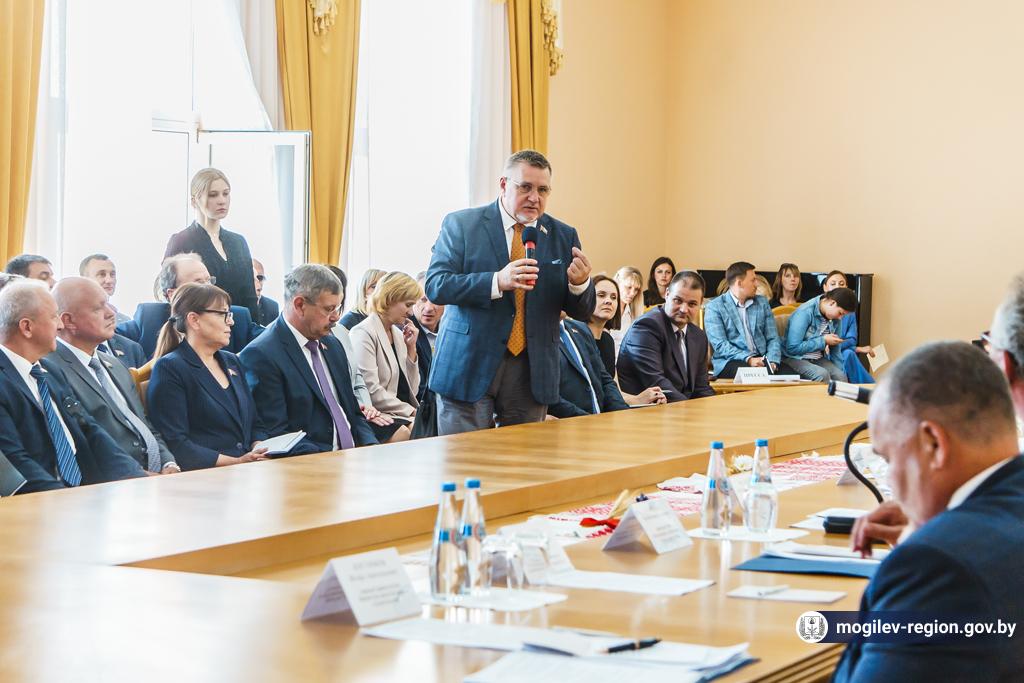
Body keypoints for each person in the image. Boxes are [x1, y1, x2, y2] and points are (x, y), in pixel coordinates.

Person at [832, 341, 1024, 681]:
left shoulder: (935, 565)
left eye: (888, 458)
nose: (889, 480)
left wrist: (925, 546)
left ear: (934, 443)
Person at [425, 149, 595, 434]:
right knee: (467, 458)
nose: (534, 197)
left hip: (531, 370)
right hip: (469, 363)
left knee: (522, 459)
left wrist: (579, 284)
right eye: (525, 187)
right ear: (504, 185)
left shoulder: (563, 236)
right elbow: (436, 285)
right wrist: (496, 281)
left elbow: (581, 310)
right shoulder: (463, 225)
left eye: (543, 190)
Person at [0, 281, 145, 492]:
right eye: (53, 317)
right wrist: (66, 498)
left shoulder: (50, 371)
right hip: (38, 500)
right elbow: (14, 460)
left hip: (86, 492)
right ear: (27, 327)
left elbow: (89, 429)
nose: (60, 326)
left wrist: (137, 476)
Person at [43, 278, 179, 475]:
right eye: (98, 308)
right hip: (111, 481)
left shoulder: (115, 364)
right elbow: (82, 443)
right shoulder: (50, 369)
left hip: (153, 476)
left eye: (107, 303)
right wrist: (138, 475)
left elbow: (143, 424)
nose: (111, 313)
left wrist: (168, 463)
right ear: (68, 321)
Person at [239, 264, 378, 453]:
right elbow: (277, 434)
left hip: (351, 458)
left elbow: (353, 413)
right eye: (329, 309)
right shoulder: (262, 355)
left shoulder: (333, 345)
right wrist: (331, 461)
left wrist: (371, 448)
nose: (336, 317)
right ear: (300, 305)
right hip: (310, 463)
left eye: (337, 308)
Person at [147, 283, 268, 470]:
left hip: (248, 469)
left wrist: (259, 446)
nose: (231, 322)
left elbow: (255, 424)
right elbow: (176, 443)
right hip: (206, 477)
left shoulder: (232, 361)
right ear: (194, 320)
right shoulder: (170, 368)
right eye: (223, 314)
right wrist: (237, 462)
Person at [117, 254, 261, 359]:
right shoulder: (149, 318)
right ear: (173, 294)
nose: (209, 288)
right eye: (199, 283)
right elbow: (108, 337)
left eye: (209, 281)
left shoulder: (236, 318)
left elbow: (270, 341)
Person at [163, 168, 260, 322]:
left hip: (241, 326)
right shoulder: (181, 241)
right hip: (201, 326)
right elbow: (169, 295)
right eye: (213, 195)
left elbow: (250, 298)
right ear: (194, 201)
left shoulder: (238, 242)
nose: (222, 200)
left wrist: (254, 331)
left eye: (226, 194)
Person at [325, 266, 399, 443]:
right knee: (404, 432)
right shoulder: (354, 326)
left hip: (363, 408)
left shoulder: (341, 332)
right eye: (374, 286)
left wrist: (367, 407)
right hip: (350, 411)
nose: (335, 316)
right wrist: (363, 408)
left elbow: (357, 379)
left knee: (414, 428)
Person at [618, 271, 716, 402]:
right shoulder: (646, 327)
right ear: (667, 294)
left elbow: (701, 387)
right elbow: (658, 384)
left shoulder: (698, 335)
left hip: (682, 409)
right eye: (678, 300)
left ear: (700, 303)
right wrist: (690, 409)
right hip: (648, 410)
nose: (684, 309)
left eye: (692, 304)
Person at [350, 272, 422, 442]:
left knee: (421, 427)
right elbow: (371, 390)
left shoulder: (397, 333)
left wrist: (411, 349)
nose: (411, 312)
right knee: (411, 430)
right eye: (408, 305)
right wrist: (411, 411)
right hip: (373, 413)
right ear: (390, 299)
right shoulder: (363, 333)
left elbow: (412, 390)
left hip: (395, 411)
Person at [704, 261, 796, 378]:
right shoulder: (715, 307)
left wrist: (772, 361)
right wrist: (749, 359)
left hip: (762, 358)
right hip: (731, 360)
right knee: (756, 377)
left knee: (792, 378)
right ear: (739, 283)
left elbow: (773, 338)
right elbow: (720, 345)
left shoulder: (762, 302)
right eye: (753, 280)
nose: (756, 284)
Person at [548, 316, 630, 419]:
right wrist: (589, 421)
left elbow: (604, 379)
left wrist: (622, 413)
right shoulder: (533, 335)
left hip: (602, 422)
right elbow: (548, 396)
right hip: (570, 424)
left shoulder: (581, 328)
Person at [782, 286, 857, 382]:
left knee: (840, 376)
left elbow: (836, 351)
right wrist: (823, 340)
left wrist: (840, 371)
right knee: (822, 375)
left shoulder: (835, 318)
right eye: (840, 313)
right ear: (832, 303)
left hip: (817, 358)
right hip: (795, 358)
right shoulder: (804, 312)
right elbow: (792, 348)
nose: (840, 318)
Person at [822, 270, 875, 383]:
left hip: (840, 351)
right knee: (848, 354)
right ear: (825, 287)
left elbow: (852, 340)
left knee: (848, 354)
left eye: (841, 284)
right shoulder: (819, 309)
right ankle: (870, 387)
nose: (837, 287)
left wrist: (834, 345)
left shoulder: (849, 313)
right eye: (833, 284)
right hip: (821, 354)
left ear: (846, 288)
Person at [411, 271, 441, 402]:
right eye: (423, 300)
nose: (428, 308)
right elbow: (417, 388)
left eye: (436, 300)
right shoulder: (405, 333)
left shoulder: (451, 333)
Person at [585, 274, 621, 377]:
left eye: (613, 297)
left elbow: (610, 382)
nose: (609, 301)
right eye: (601, 295)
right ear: (586, 298)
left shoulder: (608, 340)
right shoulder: (574, 336)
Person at [79, 253, 130, 323]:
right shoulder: (74, 318)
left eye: (112, 274)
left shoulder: (124, 321)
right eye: (102, 274)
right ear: (84, 279)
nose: (109, 280)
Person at [611, 266, 643, 352]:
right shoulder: (606, 310)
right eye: (628, 287)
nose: (632, 293)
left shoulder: (634, 315)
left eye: (636, 289)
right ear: (617, 283)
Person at [252, 258, 279, 325]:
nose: (258, 283)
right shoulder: (232, 305)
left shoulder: (272, 307)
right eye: (253, 278)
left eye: (260, 278)